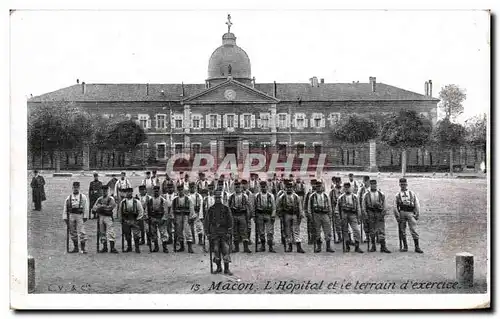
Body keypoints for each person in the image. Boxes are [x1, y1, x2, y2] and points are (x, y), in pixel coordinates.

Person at [204, 190, 234, 275]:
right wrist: (207, 233)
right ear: (214, 198)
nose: (217, 199)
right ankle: (218, 268)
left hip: (224, 233)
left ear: (221, 198)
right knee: (216, 250)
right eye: (216, 198)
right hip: (214, 233)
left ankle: (227, 269)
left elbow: (230, 221)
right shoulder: (211, 209)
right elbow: (207, 222)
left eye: (219, 198)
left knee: (226, 250)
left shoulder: (226, 208)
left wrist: (229, 231)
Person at [394, 178, 423, 253]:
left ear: (407, 184)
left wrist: (417, 213)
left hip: (410, 212)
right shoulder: (397, 195)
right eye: (401, 185)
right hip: (402, 212)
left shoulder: (411, 193)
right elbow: (395, 206)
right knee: (402, 230)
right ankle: (405, 246)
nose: (403, 186)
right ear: (399, 185)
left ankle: (417, 247)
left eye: (404, 184)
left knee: (413, 229)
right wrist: (397, 216)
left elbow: (417, 204)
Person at [362, 180, 390, 253]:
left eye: (374, 184)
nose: (373, 186)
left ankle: (383, 246)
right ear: (370, 185)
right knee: (372, 230)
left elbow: (384, 204)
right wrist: (365, 214)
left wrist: (383, 213)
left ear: (376, 185)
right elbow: (363, 205)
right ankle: (373, 246)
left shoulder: (381, 194)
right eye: (372, 184)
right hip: (370, 212)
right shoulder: (366, 194)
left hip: (379, 213)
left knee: (381, 229)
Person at [277, 181, 306, 253]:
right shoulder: (282, 197)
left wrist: (300, 215)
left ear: (292, 188)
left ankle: (299, 247)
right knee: (288, 231)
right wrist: (280, 215)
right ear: (285, 188)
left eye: (290, 187)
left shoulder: (296, 196)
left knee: (296, 230)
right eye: (287, 188)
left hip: (294, 215)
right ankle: (289, 246)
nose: (289, 189)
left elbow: (300, 207)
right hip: (286, 215)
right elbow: (278, 206)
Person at [335, 182, 363, 253]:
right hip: (344, 215)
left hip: (353, 215)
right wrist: (339, 218)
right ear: (344, 188)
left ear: (350, 188)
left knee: (356, 230)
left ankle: (357, 246)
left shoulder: (355, 197)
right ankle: (347, 246)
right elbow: (337, 209)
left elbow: (358, 208)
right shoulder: (340, 198)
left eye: (348, 187)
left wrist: (359, 217)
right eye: (345, 187)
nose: (347, 189)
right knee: (345, 231)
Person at [62, 182, 90, 254]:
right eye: (74, 187)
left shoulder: (82, 197)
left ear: (79, 188)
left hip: (79, 215)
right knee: (72, 231)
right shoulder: (69, 197)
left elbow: (85, 207)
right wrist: (65, 217)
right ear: (72, 188)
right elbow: (65, 208)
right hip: (71, 215)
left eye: (77, 187)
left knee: (82, 231)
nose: (75, 189)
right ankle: (76, 248)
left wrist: (85, 216)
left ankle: (83, 248)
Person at [308, 181, 335, 253]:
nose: (318, 188)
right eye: (317, 186)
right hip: (316, 215)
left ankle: (328, 247)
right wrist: (311, 217)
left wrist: (330, 216)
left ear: (322, 187)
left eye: (320, 186)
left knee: (328, 230)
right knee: (317, 231)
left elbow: (329, 206)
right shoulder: (312, 196)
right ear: (315, 187)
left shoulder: (326, 195)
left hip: (325, 214)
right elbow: (309, 208)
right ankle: (318, 247)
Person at [92, 185, 118, 253]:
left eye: (105, 190)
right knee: (102, 232)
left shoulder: (111, 199)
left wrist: (102, 207)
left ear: (108, 191)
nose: (104, 192)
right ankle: (105, 247)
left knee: (111, 231)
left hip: (108, 217)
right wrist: (100, 208)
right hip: (101, 216)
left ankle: (112, 248)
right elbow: (94, 208)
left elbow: (112, 207)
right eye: (103, 190)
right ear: (101, 191)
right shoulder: (99, 199)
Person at [228, 181, 252, 253]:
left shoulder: (245, 196)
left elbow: (248, 205)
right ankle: (236, 248)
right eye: (236, 187)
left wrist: (248, 214)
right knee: (235, 231)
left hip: (242, 215)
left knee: (244, 231)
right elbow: (228, 206)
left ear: (241, 188)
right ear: (234, 188)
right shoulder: (231, 196)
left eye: (239, 187)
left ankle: (246, 248)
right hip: (234, 215)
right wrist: (232, 208)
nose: (237, 188)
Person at [172, 184, 196, 253]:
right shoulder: (175, 200)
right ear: (177, 191)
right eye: (179, 190)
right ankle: (182, 247)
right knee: (179, 232)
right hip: (178, 216)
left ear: (183, 190)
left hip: (186, 216)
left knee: (188, 231)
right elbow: (172, 210)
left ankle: (190, 247)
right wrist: (173, 219)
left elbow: (191, 209)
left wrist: (191, 218)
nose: (180, 191)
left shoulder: (188, 199)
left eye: (181, 190)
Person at [254, 181, 277, 252]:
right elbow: (254, 207)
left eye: (264, 187)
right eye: (262, 187)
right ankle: (263, 246)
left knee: (270, 232)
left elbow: (274, 207)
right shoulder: (257, 196)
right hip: (260, 215)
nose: (263, 188)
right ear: (260, 187)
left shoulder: (271, 195)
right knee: (261, 231)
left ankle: (270, 247)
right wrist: (255, 216)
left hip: (268, 215)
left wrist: (273, 215)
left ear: (267, 187)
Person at [119, 187, 144, 253]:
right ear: (125, 193)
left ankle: (137, 247)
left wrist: (138, 219)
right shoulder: (123, 202)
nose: (128, 193)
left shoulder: (136, 201)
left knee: (136, 234)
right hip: (126, 220)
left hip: (134, 219)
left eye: (130, 192)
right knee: (127, 234)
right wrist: (121, 220)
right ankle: (129, 247)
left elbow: (141, 211)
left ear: (132, 193)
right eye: (127, 192)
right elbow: (120, 212)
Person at [148, 185, 169, 253]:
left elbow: (166, 211)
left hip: (161, 218)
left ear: (159, 191)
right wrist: (149, 218)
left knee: (163, 233)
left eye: (157, 191)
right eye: (155, 190)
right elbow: (147, 210)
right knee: (153, 233)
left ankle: (165, 247)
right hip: (153, 218)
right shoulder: (150, 200)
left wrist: (163, 219)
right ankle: (156, 247)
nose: (156, 192)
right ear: (153, 191)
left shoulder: (163, 200)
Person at [356, 175, 372, 243]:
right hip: (364, 208)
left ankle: (374, 237)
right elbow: (358, 199)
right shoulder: (361, 189)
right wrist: (359, 209)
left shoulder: (372, 188)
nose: (365, 182)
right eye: (364, 181)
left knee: (373, 223)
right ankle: (367, 237)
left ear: (368, 181)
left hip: (371, 208)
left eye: (366, 181)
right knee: (365, 224)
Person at [188, 182, 204, 246]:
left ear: (195, 188)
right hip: (190, 212)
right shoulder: (188, 196)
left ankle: (200, 240)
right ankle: (193, 239)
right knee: (191, 227)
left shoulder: (198, 195)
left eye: (193, 187)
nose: (192, 189)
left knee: (199, 226)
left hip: (197, 212)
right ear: (189, 188)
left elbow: (201, 205)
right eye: (191, 187)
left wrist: (200, 214)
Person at [329, 177, 344, 243]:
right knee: (337, 225)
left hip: (344, 209)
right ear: (335, 182)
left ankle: (347, 237)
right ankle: (339, 237)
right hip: (336, 209)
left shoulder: (344, 190)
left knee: (345, 224)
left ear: (341, 182)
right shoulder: (332, 191)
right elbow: (330, 201)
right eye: (336, 182)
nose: (338, 183)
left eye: (339, 182)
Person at [241, 179, 255, 245]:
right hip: (241, 211)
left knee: (248, 225)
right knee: (241, 225)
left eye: (245, 184)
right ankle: (241, 238)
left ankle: (248, 238)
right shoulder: (239, 193)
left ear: (247, 185)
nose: (243, 186)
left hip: (248, 211)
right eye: (242, 184)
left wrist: (251, 213)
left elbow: (251, 203)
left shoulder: (249, 193)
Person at [304, 179, 317, 245]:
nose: (314, 185)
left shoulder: (319, 192)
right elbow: (305, 203)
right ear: (311, 184)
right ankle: (311, 238)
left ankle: (317, 238)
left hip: (317, 212)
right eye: (313, 184)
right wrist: (306, 212)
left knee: (317, 226)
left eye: (315, 184)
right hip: (310, 212)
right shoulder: (309, 193)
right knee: (310, 226)